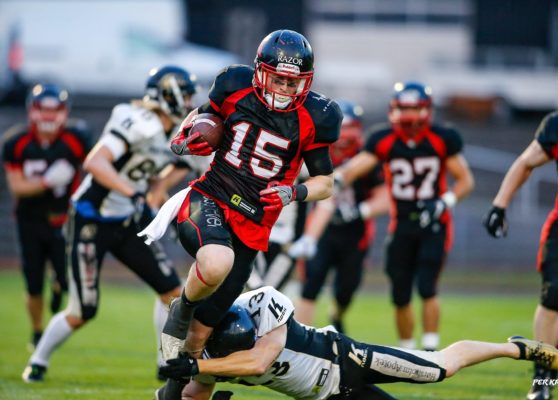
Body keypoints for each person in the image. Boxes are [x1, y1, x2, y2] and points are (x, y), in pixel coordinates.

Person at [141, 30, 342, 367]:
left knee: (199, 339)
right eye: (278, 79)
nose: (284, 89)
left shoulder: (317, 116)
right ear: (261, 70)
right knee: (217, 261)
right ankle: (184, 306)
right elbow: (205, 116)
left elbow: (326, 183)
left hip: (254, 223)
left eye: (293, 83)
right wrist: (185, 135)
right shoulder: (235, 84)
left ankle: (174, 392)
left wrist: (295, 192)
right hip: (211, 196)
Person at [22, 65, 198, 383]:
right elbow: (95, 161)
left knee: (171, 292)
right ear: (169, 93)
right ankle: (38, 360)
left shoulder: (176, 130)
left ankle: (164, 362)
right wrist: (133, 191)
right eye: (184, 94)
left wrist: (158, 189)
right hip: (92, 219)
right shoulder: (136, 119)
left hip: (127, 219)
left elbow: (177, 167)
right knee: (82, 310)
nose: (188, 102)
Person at [155, 285, 558, 400]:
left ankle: (514, 347)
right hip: (327, 396)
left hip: (345, 359)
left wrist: (198, 368)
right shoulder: (203, 352)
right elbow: (196, 394)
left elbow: (259, 362)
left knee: (439, 369)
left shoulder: (263, 304)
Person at [483, 73, 558, 400]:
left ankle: (557, 347)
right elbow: (525, 163)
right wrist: (499, 205)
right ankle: (542, 380)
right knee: (553, 294)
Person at [335, 82, 474, 351]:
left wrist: (445, 201)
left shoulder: (441, 138)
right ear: (393, 110)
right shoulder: (384, 140)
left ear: (426, 111)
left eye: (414, 108)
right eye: (404, 108)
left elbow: (466, 181)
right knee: (400, 294)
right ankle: (408, 350)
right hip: (401, 226)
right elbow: (350, 171)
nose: (409, 116)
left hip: (434, 224)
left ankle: (431, 350)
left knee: (427, 287)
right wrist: (328, 184)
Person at [2, 83, 92, 351]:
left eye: (56, 110)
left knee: (66, 279)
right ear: (33, 111)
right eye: (44, 110)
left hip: (66, 218)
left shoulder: (77, 137)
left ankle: (58, 286)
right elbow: (16, 186)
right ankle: (38, 330)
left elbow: (97, 167)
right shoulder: (16, 142)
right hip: (29, 220)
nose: (50, 117)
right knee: (32, 283)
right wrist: (47, 182)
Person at [291, 100, 389, 333]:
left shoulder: (366, 156)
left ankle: (336, 314)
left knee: (346, 289)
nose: (345, 134)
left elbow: (385, 195)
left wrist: (359, 211)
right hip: (319, 229)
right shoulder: (316, 149)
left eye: (351, 126)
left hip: (355, 232)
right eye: (342, 126)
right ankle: (303, 340)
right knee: (310, 285)